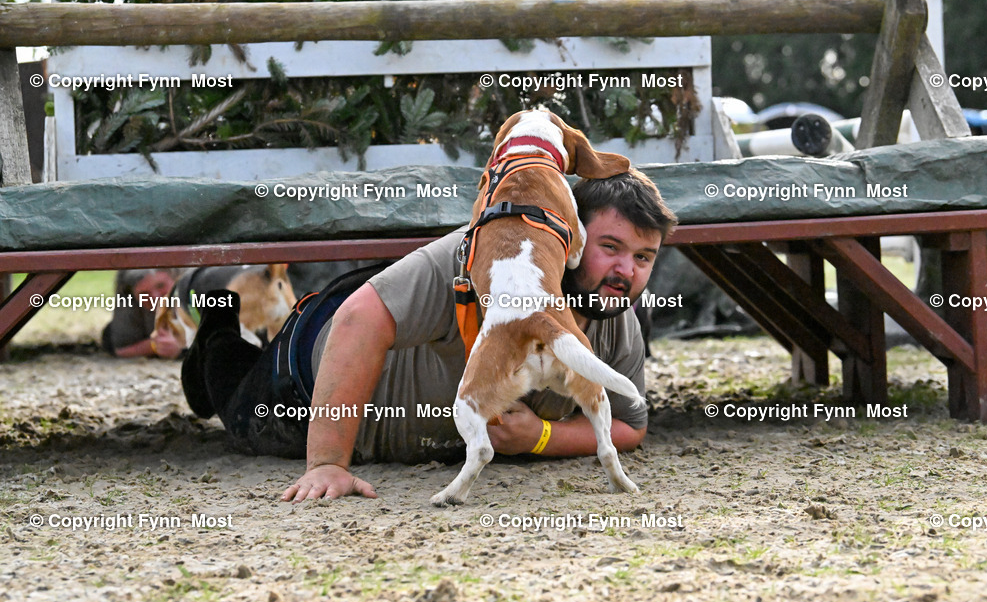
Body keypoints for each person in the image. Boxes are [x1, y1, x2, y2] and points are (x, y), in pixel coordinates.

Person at [181, 169, 676, 501]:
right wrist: (328, 463)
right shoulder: (482, 257)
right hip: (310, 376)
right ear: (571, 237)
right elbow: (358, 322)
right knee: (230, 392)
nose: (625, 270)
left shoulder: (617, 318)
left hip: (387, 334)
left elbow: (629, 427)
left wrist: (541, 437)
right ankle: (217, 325)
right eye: (610, 247)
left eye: (643, 257)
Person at [101, 268, 183, 359]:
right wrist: (155, 346)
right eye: (145, 293)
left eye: (160, 286)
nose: (155, 297)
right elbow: (121, 348)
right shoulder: (130, 303)